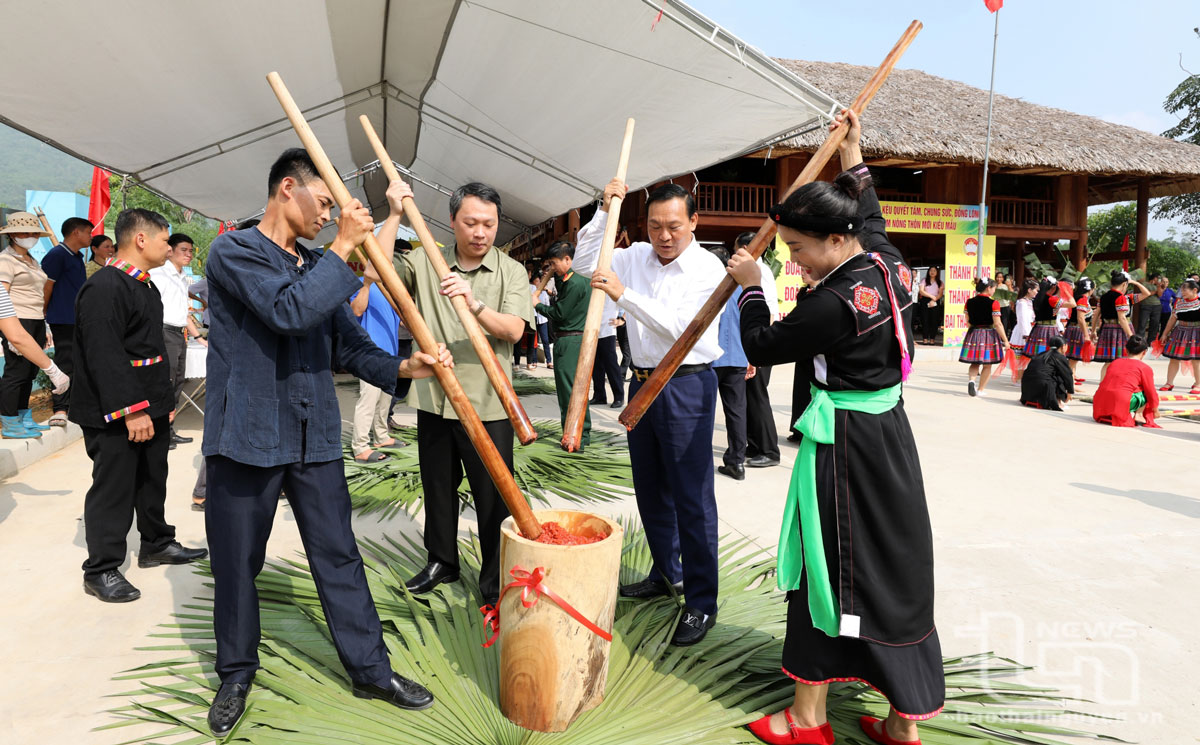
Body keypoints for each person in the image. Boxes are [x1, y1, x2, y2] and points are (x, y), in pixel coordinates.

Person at [203, 150, 446, 735]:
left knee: (339, 554)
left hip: (313, 434)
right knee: (238, 562)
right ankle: (236, 672)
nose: (329, 214)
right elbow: (287, 312)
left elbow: (346, 343)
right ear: (289, 189)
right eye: (325, 202)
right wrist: (344, 247)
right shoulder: (234, 251)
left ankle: (370, 669)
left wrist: (401, 368)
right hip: (248, 436)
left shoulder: (314, 262)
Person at [729, 109, 942, 745]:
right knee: (897, 566)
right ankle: (905, 722)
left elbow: (763, 346)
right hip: (891, 440)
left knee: (832, 564)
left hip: (845, 448)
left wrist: (753, 286)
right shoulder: (887, 262)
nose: (793, 262)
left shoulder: (830, 303)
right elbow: (870, 209)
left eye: (797, 250)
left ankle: (806, 719)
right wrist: (853, 151)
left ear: (833, 238)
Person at [578, 179, 727, 647]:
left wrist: (624, 295)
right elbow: (585, 264)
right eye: (656, 225)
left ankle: (701, 602)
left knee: (692, 497)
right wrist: (607, 212)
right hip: (641, 385)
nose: (665, 236)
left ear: (694, 223)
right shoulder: (633, 255)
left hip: (684, 384)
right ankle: (667, 572)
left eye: (675, 227)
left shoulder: (707, 268)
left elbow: (685, 330)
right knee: (651, 489)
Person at [389, 180, 533, 610]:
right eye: (470, 222)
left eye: (488, 224)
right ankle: (442, 561)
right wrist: (395, 212)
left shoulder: (511, 271)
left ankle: (494, 580)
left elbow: (516, 330)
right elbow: (378, 270)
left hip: (489, 403)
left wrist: (476, 307)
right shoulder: (423, 260)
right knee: (437, 487)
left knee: (493, 497)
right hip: (434, 398)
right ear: (452, 221)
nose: (479, 232)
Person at [71, 208, 209, 604]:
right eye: (166, 239)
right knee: (114, 487)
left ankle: (156, 543)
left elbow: (147, 352)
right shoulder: (105, 288)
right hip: (116, 410)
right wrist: (132, 409)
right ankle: (101, 569)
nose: (171, 246)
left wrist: (161, 404)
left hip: (149, 404)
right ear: (141, 240)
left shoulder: (142, 285)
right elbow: (105, 355)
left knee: (152, 479)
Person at [350, 196, 407, 463]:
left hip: (391, 353)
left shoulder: (393, 288)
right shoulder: (362, 283)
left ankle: (382, 435)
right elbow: (356, 312)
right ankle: (361, 446)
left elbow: (404, 319)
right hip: (369, 352)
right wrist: (368, 284)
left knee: (386, 398)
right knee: (368, 399)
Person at [149, 233, 206, 449]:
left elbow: (184, 313)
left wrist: (198, 337)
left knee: (178, 381)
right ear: (170, 250)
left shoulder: (182, 278)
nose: (189, 254)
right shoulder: (158, 274)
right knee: (166, 381)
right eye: (184, 250)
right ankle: (159, 432)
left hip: (179, 334)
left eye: (191, 251)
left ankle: (168, 429)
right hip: (163, 332)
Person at [532, 240, 592, 444]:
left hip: (570, 341)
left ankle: (576, 436)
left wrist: (538, 305)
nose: (552, 268)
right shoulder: (571, 280)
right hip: (572, 341)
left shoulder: (575, 283)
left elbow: (559, 313)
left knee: (569, 391)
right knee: (574, 389)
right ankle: (577, 433)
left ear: (568, 259)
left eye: (554, 263)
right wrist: (555, 278)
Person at [0, 212, 52, 438]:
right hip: (17, 320)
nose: (30, 236)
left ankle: (22, 415)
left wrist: (45, 325)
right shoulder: (5, 260)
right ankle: (9, 420)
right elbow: (3, 295)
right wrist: (12, 335)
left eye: (34, 233)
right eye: (25, 232)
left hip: (36, 320)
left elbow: (38, 293)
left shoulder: (31, 260)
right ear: (12, 235)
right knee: (16, 372)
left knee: (30, 372)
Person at [735, 231, 781, 468]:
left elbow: (770, 312)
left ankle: (769, 450)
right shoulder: (756, 270)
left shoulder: (758, 272)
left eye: (737, 250)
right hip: (755, 343)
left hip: (760, 344)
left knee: (758, 397)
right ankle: (754, 444)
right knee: (751, 397)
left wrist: (758, 353)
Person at [41, 215, 93, 426]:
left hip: (77, 319)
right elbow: (46, 286)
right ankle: (60, 408)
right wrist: (43, 313)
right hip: (62, 319)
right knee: (65, 363)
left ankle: (74, 405)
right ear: (75, 232)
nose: (91, 236)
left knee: (79, 363)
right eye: (88, 232)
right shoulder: (57, 255)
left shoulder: (76, 257)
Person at [710, 245, 750, 481]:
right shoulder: (743, 289)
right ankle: (737, 462)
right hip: (736, 357)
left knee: (704, 411)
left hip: (710, 360)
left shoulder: (707, 288)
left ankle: (700, 458)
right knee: (736, 412)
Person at [1093, 270, 1151, 380]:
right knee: (1124, 359)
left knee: (1109, 361)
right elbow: (1122, 318)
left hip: (1107, 329)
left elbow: (1096, 314)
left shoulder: (1104, 297)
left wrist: (1093, 331)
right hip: (1120, 330)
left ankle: (1103, 383)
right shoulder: (1122, 298)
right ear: (1124, 284)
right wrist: (1130, 335)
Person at [1092, 335, 1159, 427]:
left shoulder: (1115, 362)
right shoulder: (1144, 368)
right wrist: (1155, 410)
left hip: (1100, 400)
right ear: (1144, 352)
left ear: (1126, 350)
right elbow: (1151, 392)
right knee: (1144, 390)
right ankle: (1139, 414)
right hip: (1121, 400)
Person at [960, 278, 1009, 397]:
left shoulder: (969, 302)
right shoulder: (994, 303)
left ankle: (972, 380)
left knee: (975, 362)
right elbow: (997, 324)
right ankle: (980, 390)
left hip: (974, 333)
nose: (994, 291)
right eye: (994, 288)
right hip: (988, 334)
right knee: (987, 364)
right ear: (989, 288)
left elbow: (967, 321)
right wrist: (1005, 340)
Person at [1157, 278, 1200, 393]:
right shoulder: (1180, 303)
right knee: (1174, 358)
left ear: (1195, 290)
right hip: (1180, 332)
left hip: (1196, 332)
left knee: (1196, 359)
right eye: (1181, 290)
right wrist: (1165, 334)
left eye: (1185, 290)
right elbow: (1172, 319)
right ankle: (1169, 383)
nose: (1182, 292)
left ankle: (1198, 384)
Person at [1023, 278, 1076, 362]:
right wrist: (1067, 292)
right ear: (1053, 288)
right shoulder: (1052, 299)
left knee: (1039, 355)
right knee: (1051, 355)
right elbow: (1073, 304)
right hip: (1049, 329)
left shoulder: (1037, 298)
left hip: (1038, 329)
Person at [1020, 336, 1074, 411]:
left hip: (1027, 389)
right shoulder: (1060, 357)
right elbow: (1067, 375)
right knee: (1059, 377)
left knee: (1049, 374)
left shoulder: (1039, 355)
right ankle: (1057, 402)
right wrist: (1069, 392)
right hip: (1044, 386)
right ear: (1063, 346)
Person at [590, 294, 624, 407]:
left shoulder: (612, 291)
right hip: (594, 331)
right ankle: (599, 396)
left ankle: (619, 396)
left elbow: (629, 306)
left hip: (608, 331)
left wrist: (622, 319)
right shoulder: (593, 290)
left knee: (611, 365)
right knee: (596, 366)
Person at [1061, 277, 1096, 386]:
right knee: (1073, 359)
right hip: (1078, 330)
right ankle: (1067, 383)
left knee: (1073, 358)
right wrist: (1086, 335)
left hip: (1075, 328)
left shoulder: (1078, 298)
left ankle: (1071, 378)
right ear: (1090, 290)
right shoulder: (1083, 299)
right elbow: (1081, 318)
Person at [917, 265, 943, 344]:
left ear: (937, 272)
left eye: (934, 271)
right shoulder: (924, 280)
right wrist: (931, 296)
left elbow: (940, 293)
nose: (932, 272)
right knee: (925, 320)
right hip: (925, 301)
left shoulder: (940, 282)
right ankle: (925, 338)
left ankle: (932, 339)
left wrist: (934, 299)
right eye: (931, 270)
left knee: (934, 321)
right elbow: (921, 291)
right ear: (928, 272)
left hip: (936, 300)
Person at [1009, 278, 1037, 351]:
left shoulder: (1029, 302)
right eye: (1036, 290)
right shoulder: (1022, 303)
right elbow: (1022, 320)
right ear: (1029, 290)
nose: (1037, 292)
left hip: (1029, 330)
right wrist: (1026, 335)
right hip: (1022, 333)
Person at [1136, 272, 1164, 344]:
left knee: (1155, 324)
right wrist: (1154, 292)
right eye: (1159, 278)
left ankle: (1151, 342)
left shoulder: (1158, 285)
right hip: (1145, 306)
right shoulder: (1144, 284)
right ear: (1155, 278)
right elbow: (1146, 293)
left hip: (1157, 306)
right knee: (1142, 323)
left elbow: (1160, 295)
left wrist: (1158, 287)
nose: (1159, 280)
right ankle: (1140, 341)